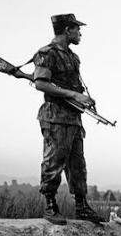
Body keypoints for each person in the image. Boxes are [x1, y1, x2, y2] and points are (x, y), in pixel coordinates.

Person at [32, 14, 106, 224]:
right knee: (53, 161)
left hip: (74, 118)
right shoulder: (47, 53)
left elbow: (72, 86)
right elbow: (40, 83)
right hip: (55, 117)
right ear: (67, 30)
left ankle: (82, 206)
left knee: (78, 164)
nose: (80, 33)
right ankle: (49, 205)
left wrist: (83, 99)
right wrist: (74, 95)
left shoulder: (73, 57)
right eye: (77, 29)